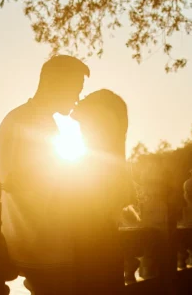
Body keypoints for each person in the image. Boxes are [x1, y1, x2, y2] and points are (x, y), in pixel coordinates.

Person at [0, 54, 90, 295]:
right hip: (39, 245)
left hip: (49, 242)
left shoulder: (40, 119)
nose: (77, 98)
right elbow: (11, 180)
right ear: (53, 83)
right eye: (75, 89)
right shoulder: (23, 119)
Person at [70, 89, 132, 294]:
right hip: (102, 251)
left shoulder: (96, 167)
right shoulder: (107, 165)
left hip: (93, 254)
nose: (82, 131)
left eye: (86, 125)